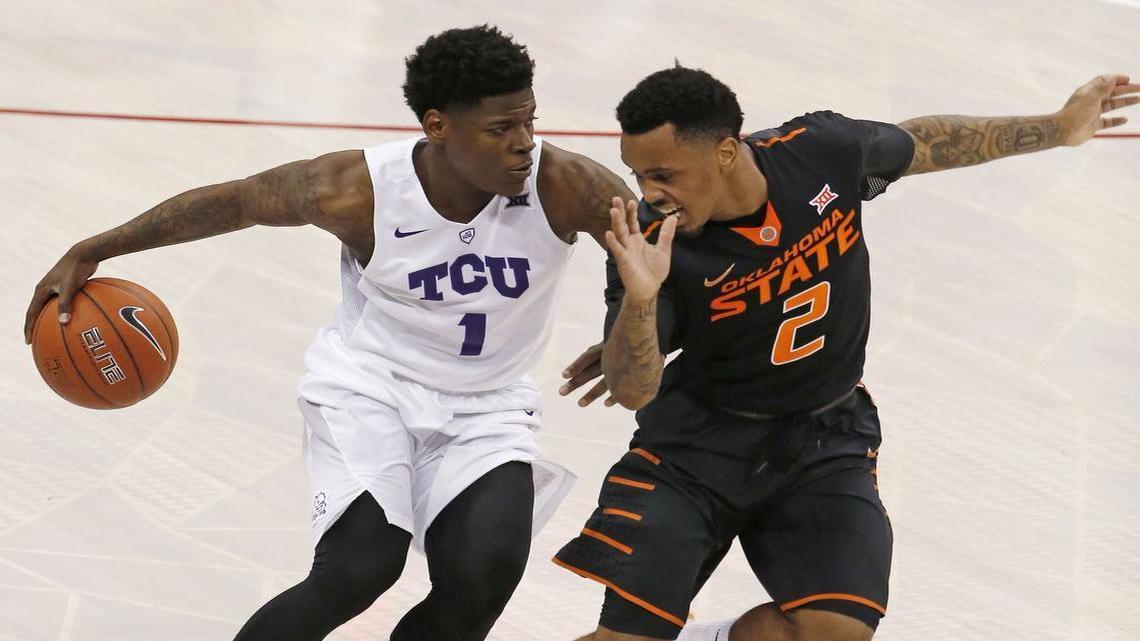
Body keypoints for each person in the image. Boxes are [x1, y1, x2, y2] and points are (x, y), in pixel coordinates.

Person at [23, 25, 633, 641]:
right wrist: (95, 248)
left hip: (489, 406)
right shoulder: (354, 191)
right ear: (437, 125)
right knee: (359, 569)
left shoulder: (565, 186)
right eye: (501, 130)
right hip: (371, 390)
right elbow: (235, 203)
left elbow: (660, 246)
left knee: (484, 578)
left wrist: (626, 325)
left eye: (529, 121)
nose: (524, 144)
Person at [554, 67, 1139, 641]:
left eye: (664, 175)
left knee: (833, 630)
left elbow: (924, 142)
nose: (650, 193)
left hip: (822, 439)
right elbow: (633, 388)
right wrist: (640, 297)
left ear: (726, 152)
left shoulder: (819, 152)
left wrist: (1059, 128)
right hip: (696, 452)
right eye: (639, 175)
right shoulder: (650, 239)